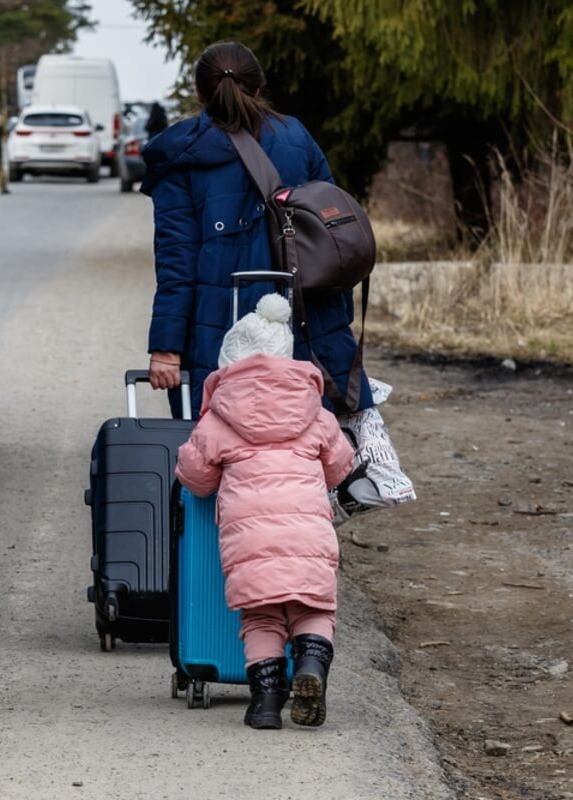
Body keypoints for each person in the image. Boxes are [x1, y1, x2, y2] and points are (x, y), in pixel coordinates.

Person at [140, 40, 374, 420]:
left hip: (216, 333)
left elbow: (176, 262)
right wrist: (336, 321)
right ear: (259, 88)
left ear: (200, 93)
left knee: (224, 443)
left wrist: (166, 348)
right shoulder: (296, 137)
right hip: (303, 319)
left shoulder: (179, 157)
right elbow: (335, 238)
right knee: (308, 441)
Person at [175, 293, 355, 730]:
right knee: (313, 608)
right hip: (308, 536)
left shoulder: (218, 419)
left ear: (229, 364)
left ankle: (266, 704)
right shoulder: (315, 412)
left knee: (262, 616)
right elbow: (340, 465)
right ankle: (311, 665)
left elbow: (195, 476)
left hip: (250, 543)